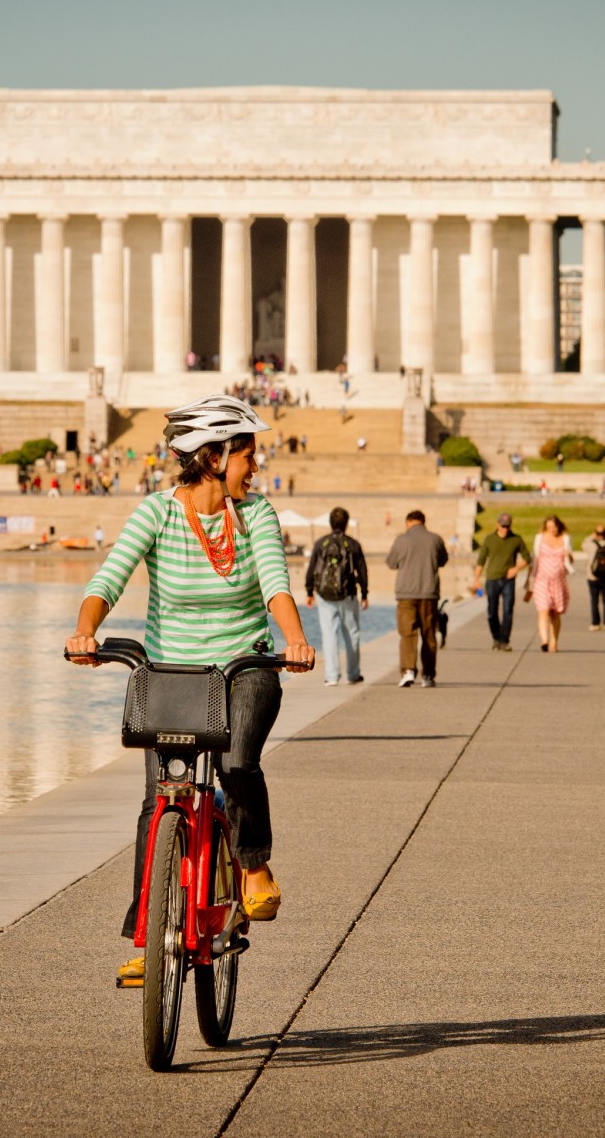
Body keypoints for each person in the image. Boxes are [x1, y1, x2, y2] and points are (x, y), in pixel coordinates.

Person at [66, 395, 314, 988]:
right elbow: (110, 576)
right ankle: (150, 939)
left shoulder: (256, 516)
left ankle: (253, 866)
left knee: (237, 763)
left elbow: (276, 585)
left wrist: (295, 641)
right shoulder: (155, 514)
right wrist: (86, 630)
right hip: (173, 674)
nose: (255, 467)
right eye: (247, 455)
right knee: (159, 801)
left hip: (245, 665)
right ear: (214, 456)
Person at [304, 507, 368, 686]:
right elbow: (362, 571)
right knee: (352, 634)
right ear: (346, 524)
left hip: (325, 596)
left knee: (329, 635)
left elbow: (311, 570)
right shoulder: (353, 544)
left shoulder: (321, 543)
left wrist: (309, 592)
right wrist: (364, 593)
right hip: (347, 595)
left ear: (330, 523)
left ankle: (331, 676)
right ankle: (353, 674)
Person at [386, 510, 448, 686]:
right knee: (429, 634)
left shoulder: (401, 540)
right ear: (423, 522)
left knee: (407, 634)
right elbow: (443, 560)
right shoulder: (436, 539)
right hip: (429, 593)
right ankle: (428, 675)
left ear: (408, 523)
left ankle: (408, 671)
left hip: (406, 594)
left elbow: (391, 563)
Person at [473, 512, 530, 652]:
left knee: (507, 611)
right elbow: (481, 561)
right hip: (492, 579)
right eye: (503, 526)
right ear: (497, 524)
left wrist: (516, 569)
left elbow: (527, 558)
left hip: (508, 581)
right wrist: (476, 580)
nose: (505, 529)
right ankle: (496, 637)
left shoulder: (516, 539)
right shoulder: (489, 539)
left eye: (508, 526)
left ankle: (504, 641)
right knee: (492, 612)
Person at [523, 515, 574, 652]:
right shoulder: (540, 538)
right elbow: (535, 558)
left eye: (554, 527)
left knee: (555, 613)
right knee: (543, 609)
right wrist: (530, 579)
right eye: (549, 527)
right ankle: (544, 641)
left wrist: (569, 556)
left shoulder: (565, 538)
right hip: (541, 580)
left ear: (559, 526)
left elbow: (569, 560)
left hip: (558, 581)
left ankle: (554, 642)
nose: (552, 530)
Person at [585, 525, 605, 631]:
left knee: (594, 601)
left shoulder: (590, 544)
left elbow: (583, 545)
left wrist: (592, 536)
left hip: (592, 575)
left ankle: (595, 623)